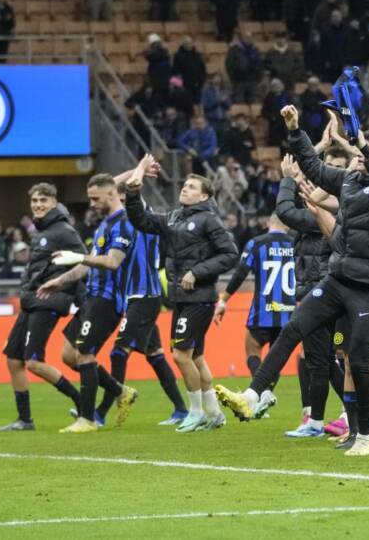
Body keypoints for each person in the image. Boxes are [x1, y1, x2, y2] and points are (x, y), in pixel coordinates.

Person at [215, 106, 369, 458]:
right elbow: (314, 168)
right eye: (357, 153)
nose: (355, 157)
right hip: (340, 278)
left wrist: (366, 149)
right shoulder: (349, 182)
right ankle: (253, 394)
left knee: (362, 363)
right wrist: (295, 131)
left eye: (363, 153)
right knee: (294, 327)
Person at [123, 160, 240, 433]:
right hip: (182, 298)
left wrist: (197, 272)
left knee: (180, 355)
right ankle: (214, 414)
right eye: (184, 185)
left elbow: (230, 254)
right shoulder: (175, 217)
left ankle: (195, 412)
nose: (184, 189)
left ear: (204, 196)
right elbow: (142, 220)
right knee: (195, 356)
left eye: (191, 187)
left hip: (199, 297)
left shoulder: (208, 219)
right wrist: (132, 194)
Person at [37, 174, 140, 433]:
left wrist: (78, 256)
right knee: (68, 355)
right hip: (91, 297)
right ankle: (120, 391)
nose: (91, 204)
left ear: (111, 194)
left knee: (84, 353)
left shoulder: (124, 224)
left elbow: (112, 262)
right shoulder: (104, 225)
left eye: (95, 198)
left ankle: (88, 419)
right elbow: (87, 265)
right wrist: (59, 281)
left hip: (107, 300)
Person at [95, 182, 188, 428]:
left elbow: (136, 204)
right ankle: (181, 409)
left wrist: (139, 174)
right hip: (137, 297)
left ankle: (100, 413)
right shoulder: (124, 224)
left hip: (145, 296)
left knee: (118, 353)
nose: (121, 206)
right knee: (155, 356)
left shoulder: (142, 220)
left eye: (125, 201)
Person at [0, 183, 87, 431]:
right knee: (13, 360)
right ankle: (25, 420)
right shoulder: (42, 231)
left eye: (43, 200)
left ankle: (82, 404)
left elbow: (85, 262)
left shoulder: (64, 231)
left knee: (34, 362)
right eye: (35, 200)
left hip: (49, 300)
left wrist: (67, 289)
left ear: (54, 202)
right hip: (31, 300)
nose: (38, 205)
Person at [275, 148, 350, 438]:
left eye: (336, 167)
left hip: (329, 292)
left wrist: (287, 180)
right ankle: (319, 420)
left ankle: (356, 414)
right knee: (321, 360)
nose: (328, 172)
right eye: (326, 166)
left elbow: (286, 212)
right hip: (313, 289)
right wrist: (311, 156)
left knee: (337, 358)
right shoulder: (317, 203)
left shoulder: (336, 209)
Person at [216, 213, 296, 413]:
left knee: (252, 351)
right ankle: (263, 398)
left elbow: (240, 273)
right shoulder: (296, 244)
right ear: (288, 225)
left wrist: (224, 300)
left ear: (269, 222)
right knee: (275, 358)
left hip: (263, 311)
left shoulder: (257, 243)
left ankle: (262, 394)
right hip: (289, 313)